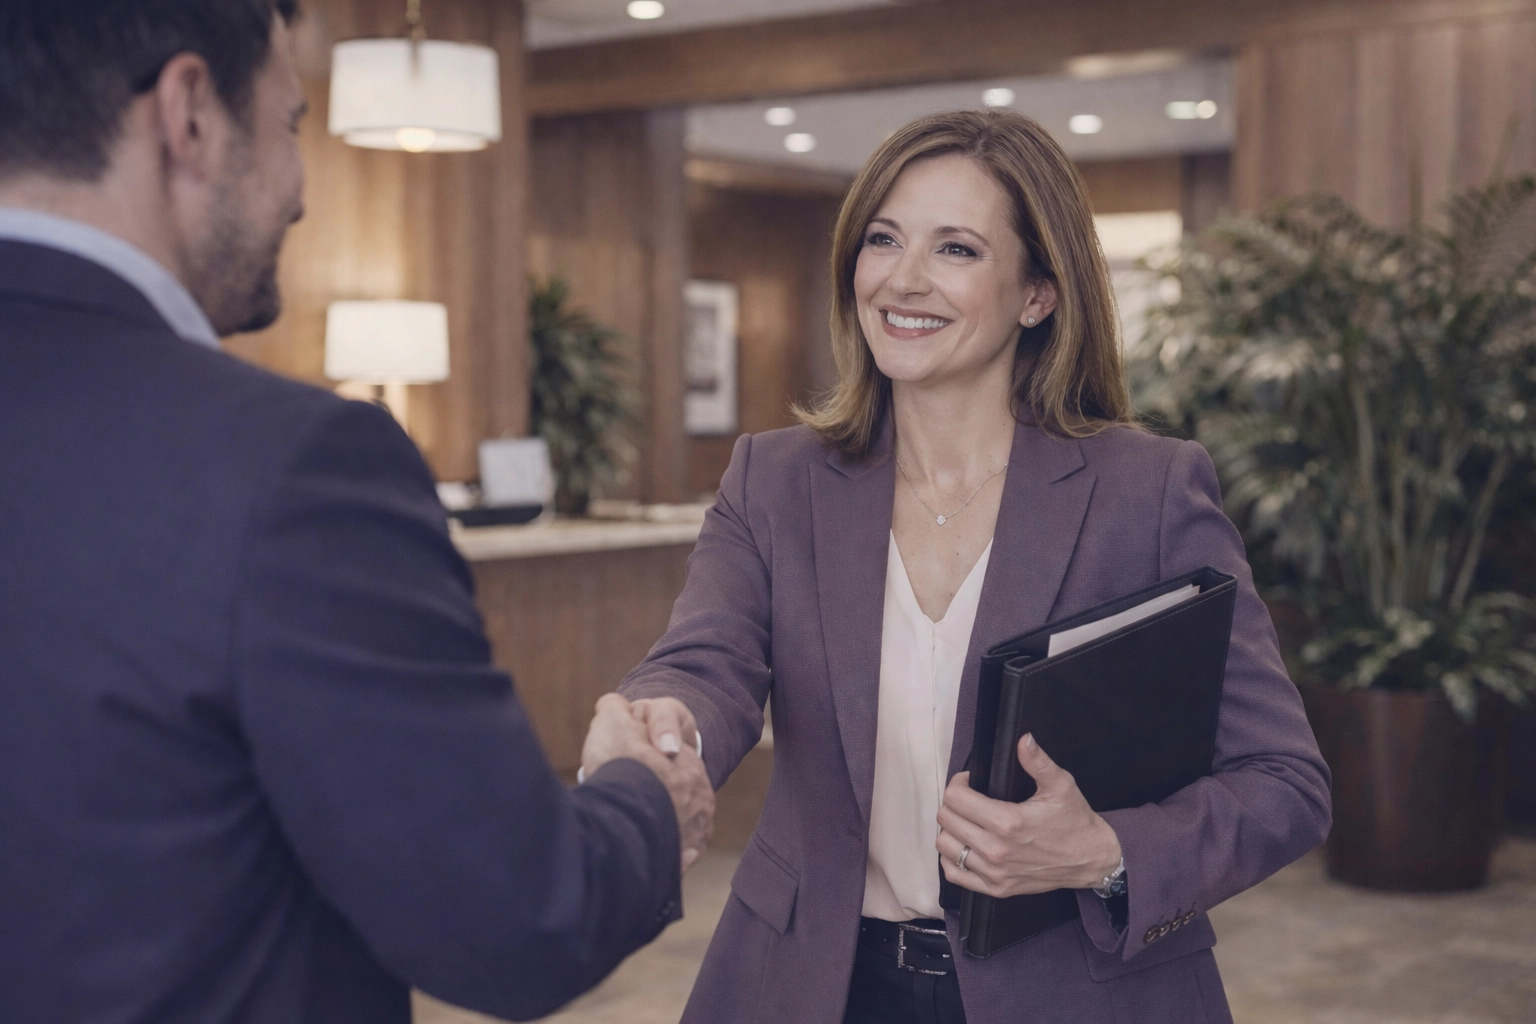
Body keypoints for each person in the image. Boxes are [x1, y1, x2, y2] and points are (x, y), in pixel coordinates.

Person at [0, 2, 712, 1022]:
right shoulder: (293, 465)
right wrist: (648, 797)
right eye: (291, 126)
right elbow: (518, 919)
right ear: (190, 113)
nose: (297, 192)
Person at [615, 109, 1332, 1024]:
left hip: (1072, 989)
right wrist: (660, 730)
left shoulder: (1147, 492)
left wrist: (1104, 850)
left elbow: (1284, 781)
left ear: (1038, 293)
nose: (902, 280)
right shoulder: (774, 479)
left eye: (955, 249)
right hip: (816, 985)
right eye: (883, 239)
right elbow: (705, 664)